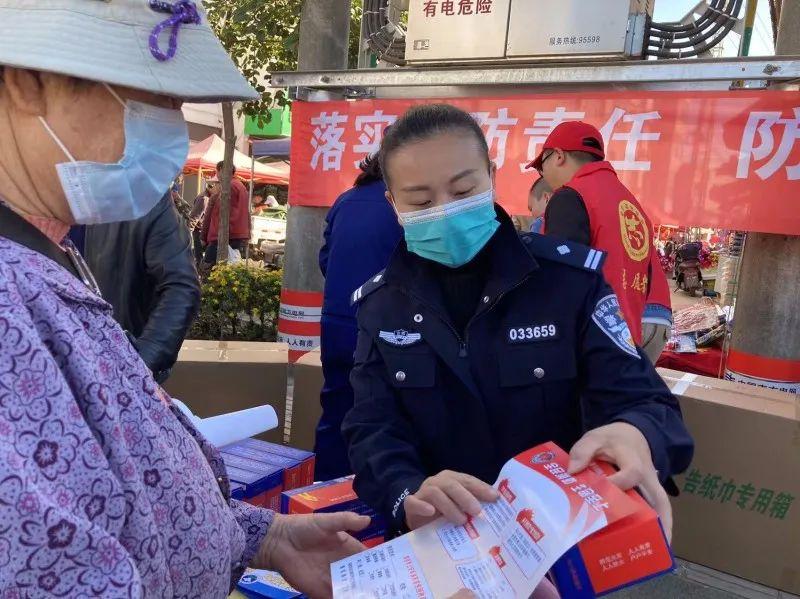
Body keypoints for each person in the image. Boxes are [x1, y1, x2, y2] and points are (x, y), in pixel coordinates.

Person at [0, 1, 369, 596]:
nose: (176, 128)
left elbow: (115, 481)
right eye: (155, 99)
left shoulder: (49, 246)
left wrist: (260, 536)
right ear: (26, 83)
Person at [342, 105, 692, 551]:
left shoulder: (567, 282)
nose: (446, 212)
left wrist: (636, 433)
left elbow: (645, 400)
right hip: (439, 543)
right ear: (393, 203)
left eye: (464, 189)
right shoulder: (381, 305)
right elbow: (371, 426)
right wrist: (406, 491)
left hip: (555, 546)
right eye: (422, 202)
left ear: (490, 175)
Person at [532, 120, 672, 347]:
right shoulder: (629, 202)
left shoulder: (571, 196)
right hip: (628, 336)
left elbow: (561, 277)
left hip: (591, 340)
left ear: (558, 156)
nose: (542, 174)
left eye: (541, 166)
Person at [315, 153, 403, 481]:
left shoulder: (345, 200)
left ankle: (321, 493)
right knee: (382, 418)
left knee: (335, 412)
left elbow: (326, 259)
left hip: (336, 322)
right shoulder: (404, 204)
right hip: (384, 326)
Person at [70, 193, 201, 382]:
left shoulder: (145, 196)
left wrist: (140, 365)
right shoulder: (27, 195)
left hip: (114, 371)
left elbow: (181, 287)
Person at [202, 161, 251, 264]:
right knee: (227, 271)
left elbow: (216, 213)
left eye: (217, 172)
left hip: (224, 235)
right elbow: (247, 212)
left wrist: (204, 236)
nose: (217, 176)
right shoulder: (241, 186)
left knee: (209, 269)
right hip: (236, 235)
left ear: (221, 170)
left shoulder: (228, 187)